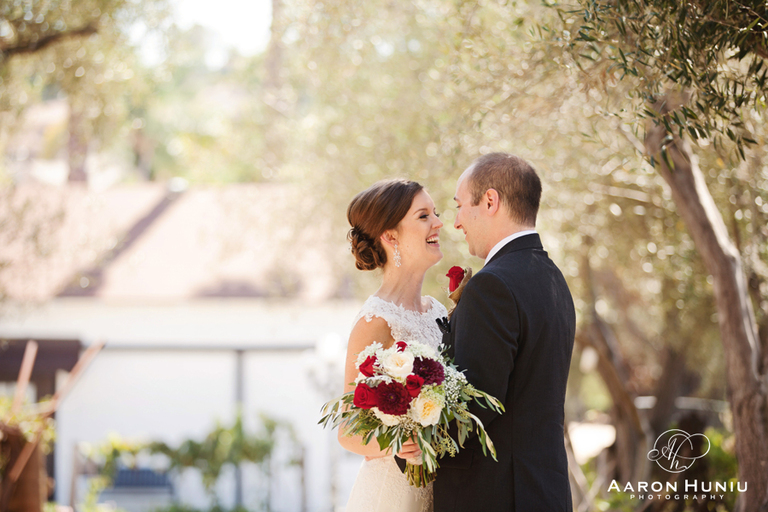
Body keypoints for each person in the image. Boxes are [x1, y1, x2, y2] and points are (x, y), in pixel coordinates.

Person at [434, 153, 576, 511]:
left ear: (490, 201)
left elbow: (477, 407)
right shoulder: (553, 278)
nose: (455, 222)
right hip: (545, 491)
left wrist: (410, 442)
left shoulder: (492, 285)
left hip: (495, 495)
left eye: (460, 206)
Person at [341, 178, 447, 512]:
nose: (438, 223)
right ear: (390, 237)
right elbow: (348, 431)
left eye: (436, 213)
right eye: (423, 216)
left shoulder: (439, 311)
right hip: (392, 493)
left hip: (440, 487)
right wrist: (399, 442)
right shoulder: (376, 320)